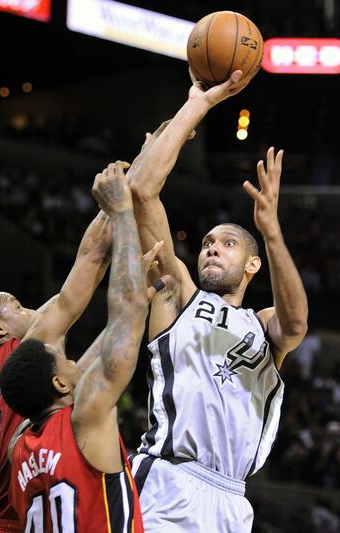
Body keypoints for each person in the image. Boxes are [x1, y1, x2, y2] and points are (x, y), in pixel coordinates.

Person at [127, 71, 308, 531]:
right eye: (208, 241)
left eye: (227, 243)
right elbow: (142, 191)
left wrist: (270, 230)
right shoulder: (178, 294)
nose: (211, 246)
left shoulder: (262, 325)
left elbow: (296, 325)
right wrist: (198, 104)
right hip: (169, 477)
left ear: (252, 265)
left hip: (232, 499)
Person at [0, 206, 114, 532]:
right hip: (10, 525)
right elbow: (89, 263)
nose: (29, 310)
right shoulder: (24, 352)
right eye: (17, 305)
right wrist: (117, 205)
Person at [0, 161, 163, 532]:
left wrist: (138, 287)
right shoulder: (86, 417)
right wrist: (122, 214)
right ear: (58, 385)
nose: (74, 359)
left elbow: (97, 358)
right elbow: (127, 314)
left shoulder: (19, 446)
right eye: (63, 358)